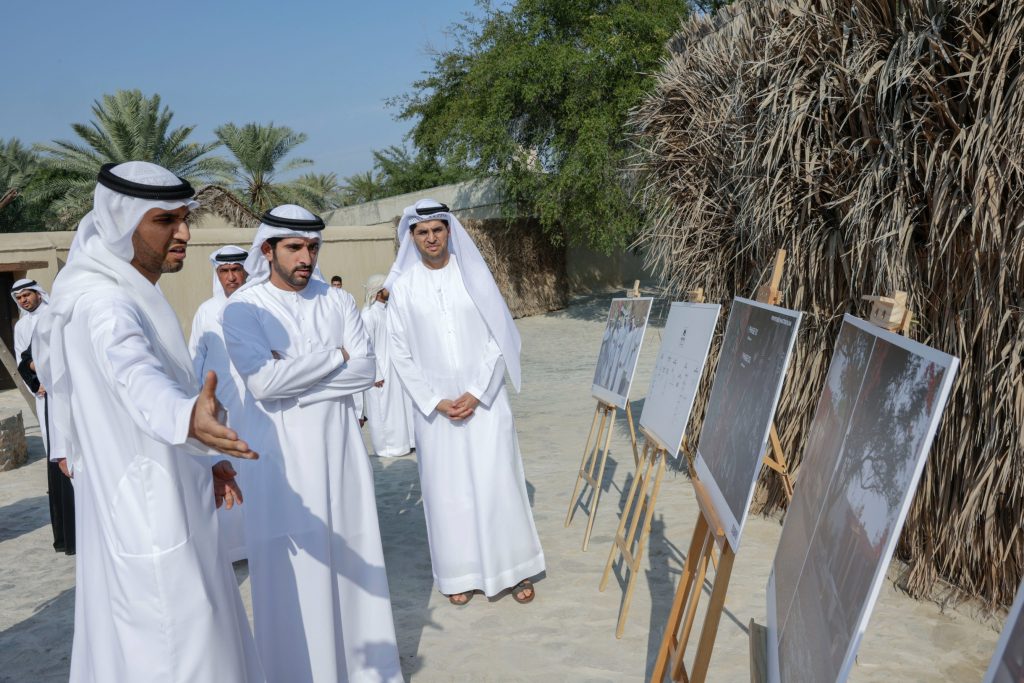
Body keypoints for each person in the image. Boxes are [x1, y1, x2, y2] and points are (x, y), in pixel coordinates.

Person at [34, 161, 264, 682]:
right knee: (174, 654)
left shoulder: (127, 289)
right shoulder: (105, 304)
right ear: (121, 223)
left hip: (158, 498)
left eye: (185, 218)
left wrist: (201, 462)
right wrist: (185, 418)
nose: (184, 234)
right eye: (165, 220)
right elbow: (133, 373)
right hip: (148, 515)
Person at [222, 205, 401, 683]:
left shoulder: (337, 301)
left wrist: (294, 380)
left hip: (341, 454)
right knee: (294, 572)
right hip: (283, 463)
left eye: (313, 247)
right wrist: (334, 355)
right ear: (268, 250)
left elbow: (366, 370)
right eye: (294, 247)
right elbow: (262, 384)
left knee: (351, 559)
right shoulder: (243, 307)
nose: (306, 257)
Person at [384, 198, 545, 606]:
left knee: (498, 482)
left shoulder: (474, 276)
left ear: (448, 231)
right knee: (448, 491)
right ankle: (461, 573)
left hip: (485, 403)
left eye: (437, 229)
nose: (431, 238)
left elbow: (499, 335)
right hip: (436, 412)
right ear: (411, 237)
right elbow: (399, 352)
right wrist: (435, 400)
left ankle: (514, 570)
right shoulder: (403, 288)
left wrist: (477, 391)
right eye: (422, 232)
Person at [189, 245, 249, 562]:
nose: (231, 277)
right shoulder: (206, 311)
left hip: (258, 408)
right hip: (222, 410)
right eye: (224, 271)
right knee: (227, 472)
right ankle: (234, 548)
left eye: (236, 270)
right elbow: (195, 360)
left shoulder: (261, 303)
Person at [12, 279, 75, 555]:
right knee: (55, 448)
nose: (24, 300)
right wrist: (36, 385)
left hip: (62, 390)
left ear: (38, 294)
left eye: (27, 295)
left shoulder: (53, 316)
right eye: (19, 298)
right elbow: (22, 359)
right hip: (44, 395)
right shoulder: (21, 327)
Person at [359, 274, 415, 457]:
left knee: (396, 410)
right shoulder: (368, 315)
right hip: (379, 373)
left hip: (393, 370)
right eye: (386, 287)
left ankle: (402, 444)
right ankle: (387, 448)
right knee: (383, 410)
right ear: (378, 291)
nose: (390, 290)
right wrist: (376, 373)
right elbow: (365, 347)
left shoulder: (387, 311)